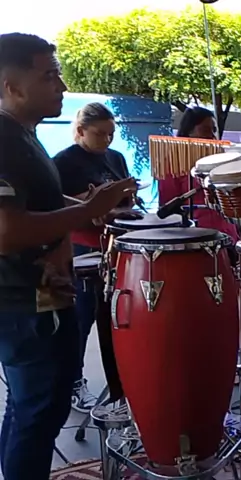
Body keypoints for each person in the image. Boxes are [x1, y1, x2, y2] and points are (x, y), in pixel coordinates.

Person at [0, 32, 137, 479]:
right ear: (11, 86)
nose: (61, 86)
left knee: (35, 408)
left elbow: (43, 201)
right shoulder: (3, 139)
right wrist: (90, 209)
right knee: (37, 413)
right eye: (49, 76)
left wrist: (95, 204)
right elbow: (6, 232)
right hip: (25, 302)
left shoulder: (23, 135)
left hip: (46, 295)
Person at [53, 102, 140, 413]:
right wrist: (94, 203)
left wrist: (128, 196)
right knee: (82, 318)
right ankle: (73, 383)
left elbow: (125, 197)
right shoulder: (63, 162)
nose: (107, 140)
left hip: (116, 243)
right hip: (83, 247)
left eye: (111, 133)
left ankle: (122, 383)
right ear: (81, 131)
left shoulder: (115, 157)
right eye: (100, 133)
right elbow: (56, 206)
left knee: (117, 316)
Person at [156, 107, 238, 241]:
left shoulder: (218, 159)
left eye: (214, 130)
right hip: (195, 236)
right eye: (205, 130)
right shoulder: (172, 163)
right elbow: (167, 206)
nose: (212, 136)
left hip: (226, 231)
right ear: (188, 132)